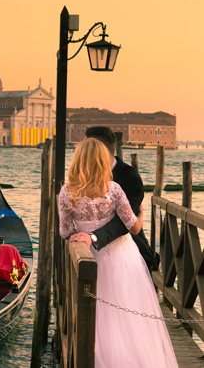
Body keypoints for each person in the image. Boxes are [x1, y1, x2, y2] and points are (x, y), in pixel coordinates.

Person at [58, 138, 178, 367]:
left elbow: (65, 231)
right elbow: (133, 227)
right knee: (129, 316)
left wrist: (83, 231)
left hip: (88, 258)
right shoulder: (113, 189)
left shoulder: (66, 193)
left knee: (97, 317)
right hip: (122, 258)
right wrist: (141, 212)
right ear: (102, 161)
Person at [84, 126, 160, 272]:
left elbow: (123, 223)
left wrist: (93, 238)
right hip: (88, 249)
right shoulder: (85, 174)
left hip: (127, 254)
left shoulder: (130, 178)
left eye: (86, 147)